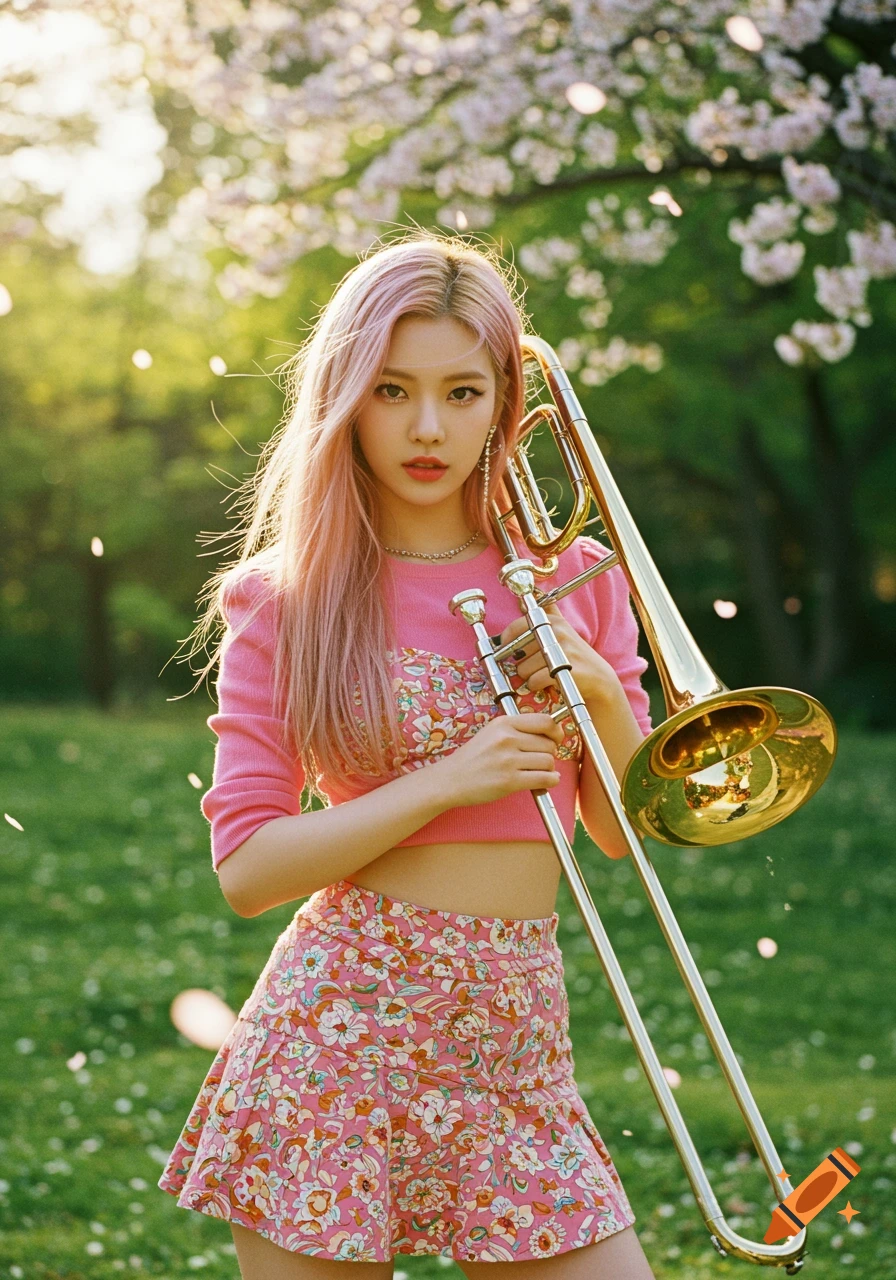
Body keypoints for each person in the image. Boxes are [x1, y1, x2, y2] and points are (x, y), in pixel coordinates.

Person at [157, 230, 657, 1280]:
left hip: (515, 1043)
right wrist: (450, 780)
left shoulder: (577, 574)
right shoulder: (284, 600)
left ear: (507, 400)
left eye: (462, 391)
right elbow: (247, 869)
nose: (427, 426)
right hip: (337, 1032)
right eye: (390, 390)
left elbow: (621, 834)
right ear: (346, 396)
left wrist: (600, 688)